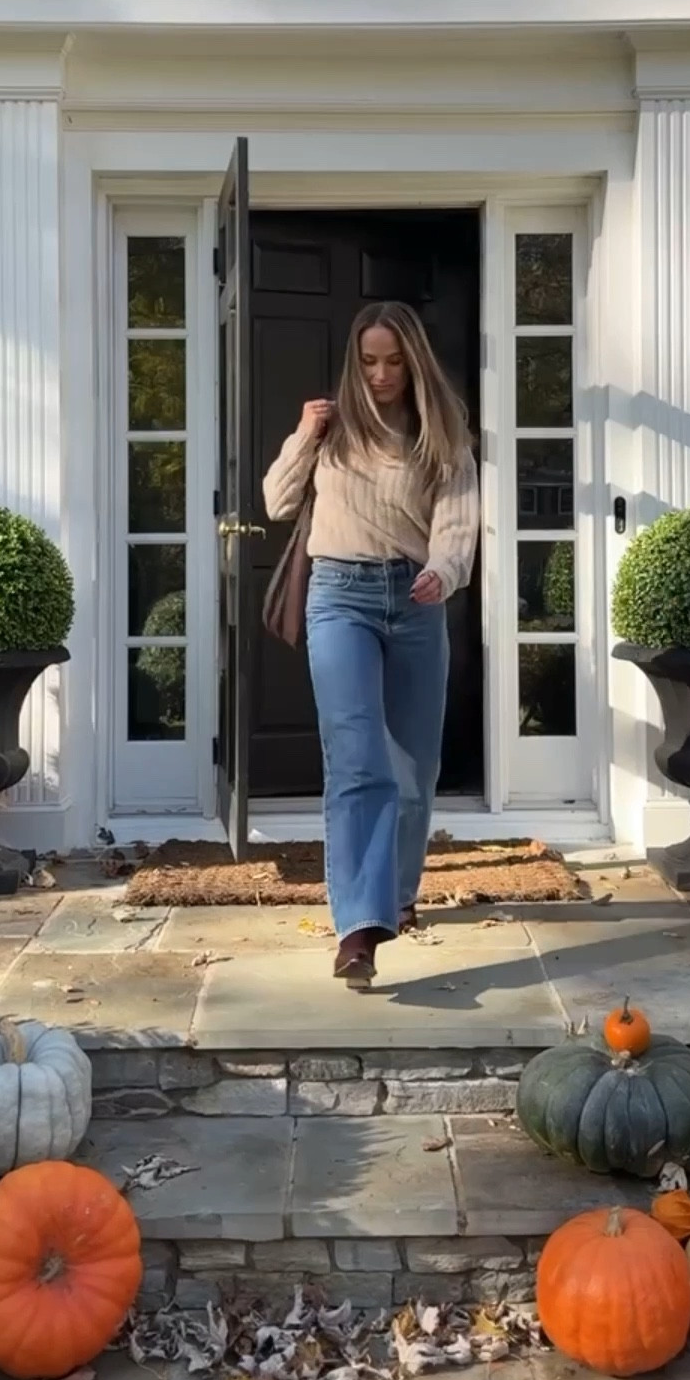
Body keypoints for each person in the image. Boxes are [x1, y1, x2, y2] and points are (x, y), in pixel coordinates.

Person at [262, 301, 480, 991]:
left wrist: (443, 572)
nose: (381, 374)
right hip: (339, 598)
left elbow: (458, 523)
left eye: (393, 361)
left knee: (414, 774)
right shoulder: (332, 430)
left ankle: (399, 894)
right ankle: (359, 929)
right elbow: (274, 501)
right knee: (359, 762)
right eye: (369, 361)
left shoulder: (441, 435)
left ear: (413, 362)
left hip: (414, 601)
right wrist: (303, 432)